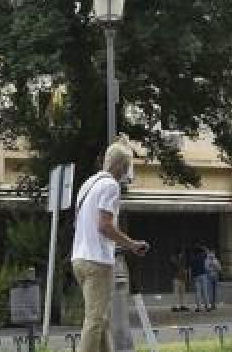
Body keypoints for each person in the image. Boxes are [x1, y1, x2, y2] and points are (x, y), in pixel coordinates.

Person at [71, 144, 150, 352]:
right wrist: (132, 245)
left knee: (101, 318)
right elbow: (104, 226)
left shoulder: (88, 184)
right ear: (122, 166)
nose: (128, 172)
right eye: (128, 166)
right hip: (97, 261)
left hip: (79, 259)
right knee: (95, 320)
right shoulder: (111, 186)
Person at [189, 245, 209, 311]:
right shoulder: (202, 256)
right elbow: (207, 252)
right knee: (205, 291)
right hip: (203, 275)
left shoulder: (192, 258)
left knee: (197, 292)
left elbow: (191, 268)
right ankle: (207, 306)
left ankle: (199, 307)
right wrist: (203, 248)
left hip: (196, 276)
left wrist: (191, 278)